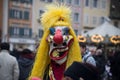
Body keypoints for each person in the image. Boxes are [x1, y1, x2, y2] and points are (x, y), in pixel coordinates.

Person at [29, 4, 82, 80]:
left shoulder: (77, 73)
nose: (58, 38)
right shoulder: (44, 71)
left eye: (65, 32)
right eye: (52, 33)